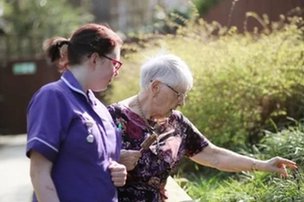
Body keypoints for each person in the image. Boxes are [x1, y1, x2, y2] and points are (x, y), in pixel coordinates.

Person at [107, 54, 298, 202]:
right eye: (178, 94)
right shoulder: (110, 118)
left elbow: (213, 155)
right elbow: (80, 166)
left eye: (185, 95)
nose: (182, 102)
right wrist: (115, 159)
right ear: (156, 86)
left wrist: (262, 165)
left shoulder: (176, 123)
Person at [26, 23, 127, 202]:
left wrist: (117, 169)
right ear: (95, 59)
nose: (116, 72)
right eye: (115, 64)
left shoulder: (101, 109)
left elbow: (95, 163)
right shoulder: (53, 97)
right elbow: (39, 173)